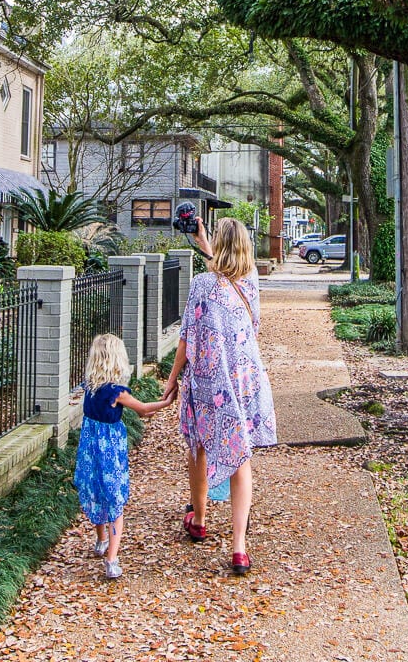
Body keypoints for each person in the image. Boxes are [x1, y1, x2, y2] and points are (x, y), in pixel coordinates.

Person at [163, 216, 277, 577]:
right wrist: (206, 245)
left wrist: (171, 378)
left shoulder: (201, 285)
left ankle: (199, 518)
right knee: (239, 454)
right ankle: (239, 548)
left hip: (210, 380)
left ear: (220, 246)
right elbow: (230, 277)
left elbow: (186, 336)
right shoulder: (252, 281)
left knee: (198, 444)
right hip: (245, 379)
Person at [73, 333, 176, 579]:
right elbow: (143, 410)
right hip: (110, 453)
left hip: (90, 452)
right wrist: (166, 402)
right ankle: (112, 560)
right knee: (115, 502)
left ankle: (100, 541)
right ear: (117, 359)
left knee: (97, 493)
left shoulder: (89, 387)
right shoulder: (115, 392)